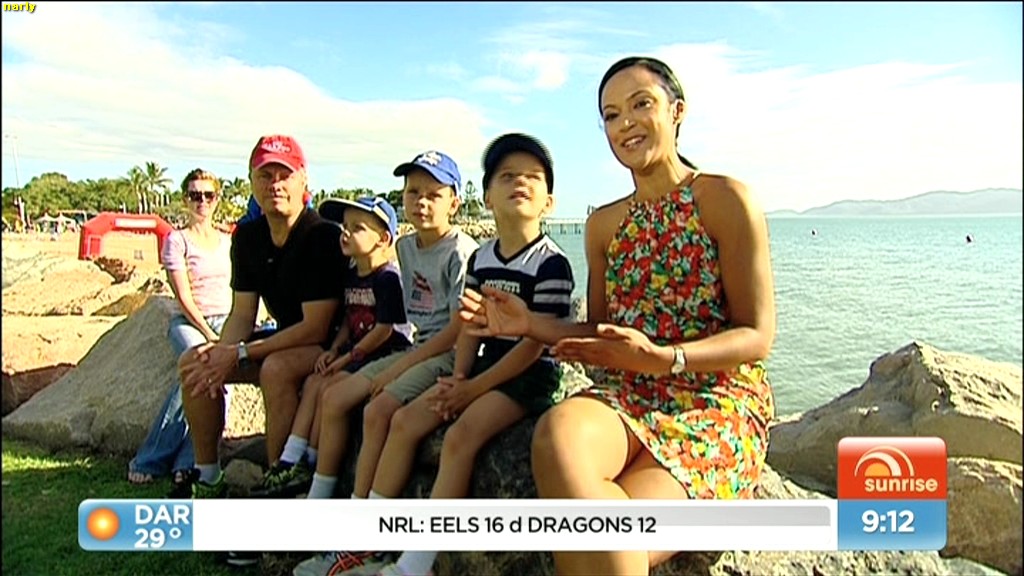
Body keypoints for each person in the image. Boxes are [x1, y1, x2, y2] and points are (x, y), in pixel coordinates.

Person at [459, 56, 777, 576]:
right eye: (611, 115)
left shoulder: (724, 199)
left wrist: (666, 358)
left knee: (611, 538)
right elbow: (599, 330)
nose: (625, 122)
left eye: (640, 104)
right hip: (630, 391)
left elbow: (757, 335)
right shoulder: (604, 225)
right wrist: (526, 323)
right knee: (557, 433)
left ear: (677, 111)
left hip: (715, 398)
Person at [353, 133, 574, 576]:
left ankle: (413, 564)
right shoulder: (483, 258)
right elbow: (470, 324)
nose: (519, 182)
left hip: (529, 374)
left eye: (532, 177)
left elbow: (535, 346)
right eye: (506, 176)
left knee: (460, 436)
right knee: (405, 420)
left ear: (548, 202)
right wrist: (458, 377)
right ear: (487, 197)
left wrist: (472, 389)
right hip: (485, 364)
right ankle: (364, 536)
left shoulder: (551, 263)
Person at [291, 150, 478, 576]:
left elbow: (457, 330)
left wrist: (397, 368)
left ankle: (361, 536)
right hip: (418, 348)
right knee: (341, 398)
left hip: (447, 352)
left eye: (434, 194)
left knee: (380, 411)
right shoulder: (406, 247)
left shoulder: (460, 252)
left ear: (454, 202)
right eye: (413, 193)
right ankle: (326, 510)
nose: (421, 202)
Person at [177, 134, 347, 566]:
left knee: (276, 368)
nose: (275, 183)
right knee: (194, 362)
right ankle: (208, 477)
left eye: (284, 174)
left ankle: (276, 496)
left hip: (329, 347)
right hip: (284, 337)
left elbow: (316, 327)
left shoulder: (321, 236)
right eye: (265, 174)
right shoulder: (248, 236)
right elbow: (242, 313)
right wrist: (221, 353)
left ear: (303, 180)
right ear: (251, 182)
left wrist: (240, 354)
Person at [252, 196, 414, 497]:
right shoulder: (352, 275)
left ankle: (311, 460)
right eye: (344, 226)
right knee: (315, 381)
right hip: (356, 351)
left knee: (328, 387)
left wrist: (348, 357)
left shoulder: (387, 279)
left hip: (382, 352)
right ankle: (290, 457)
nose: (345, 233)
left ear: (383, 239)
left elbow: (384, 330)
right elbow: (348, 322)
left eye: (357, 228)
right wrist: (334, 350)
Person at [127, 169, 233, 490]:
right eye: (195, 195)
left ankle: (191, 462)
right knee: (198, 368)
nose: (202, 201)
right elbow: (183, 296)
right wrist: (210, 334)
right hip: (190, 321)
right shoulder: (177, 240)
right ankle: (150, 458)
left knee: (218, 379)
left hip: (226, 319)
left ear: (217, 199)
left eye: (208, 195)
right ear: (185, 199)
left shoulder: (227, 242)